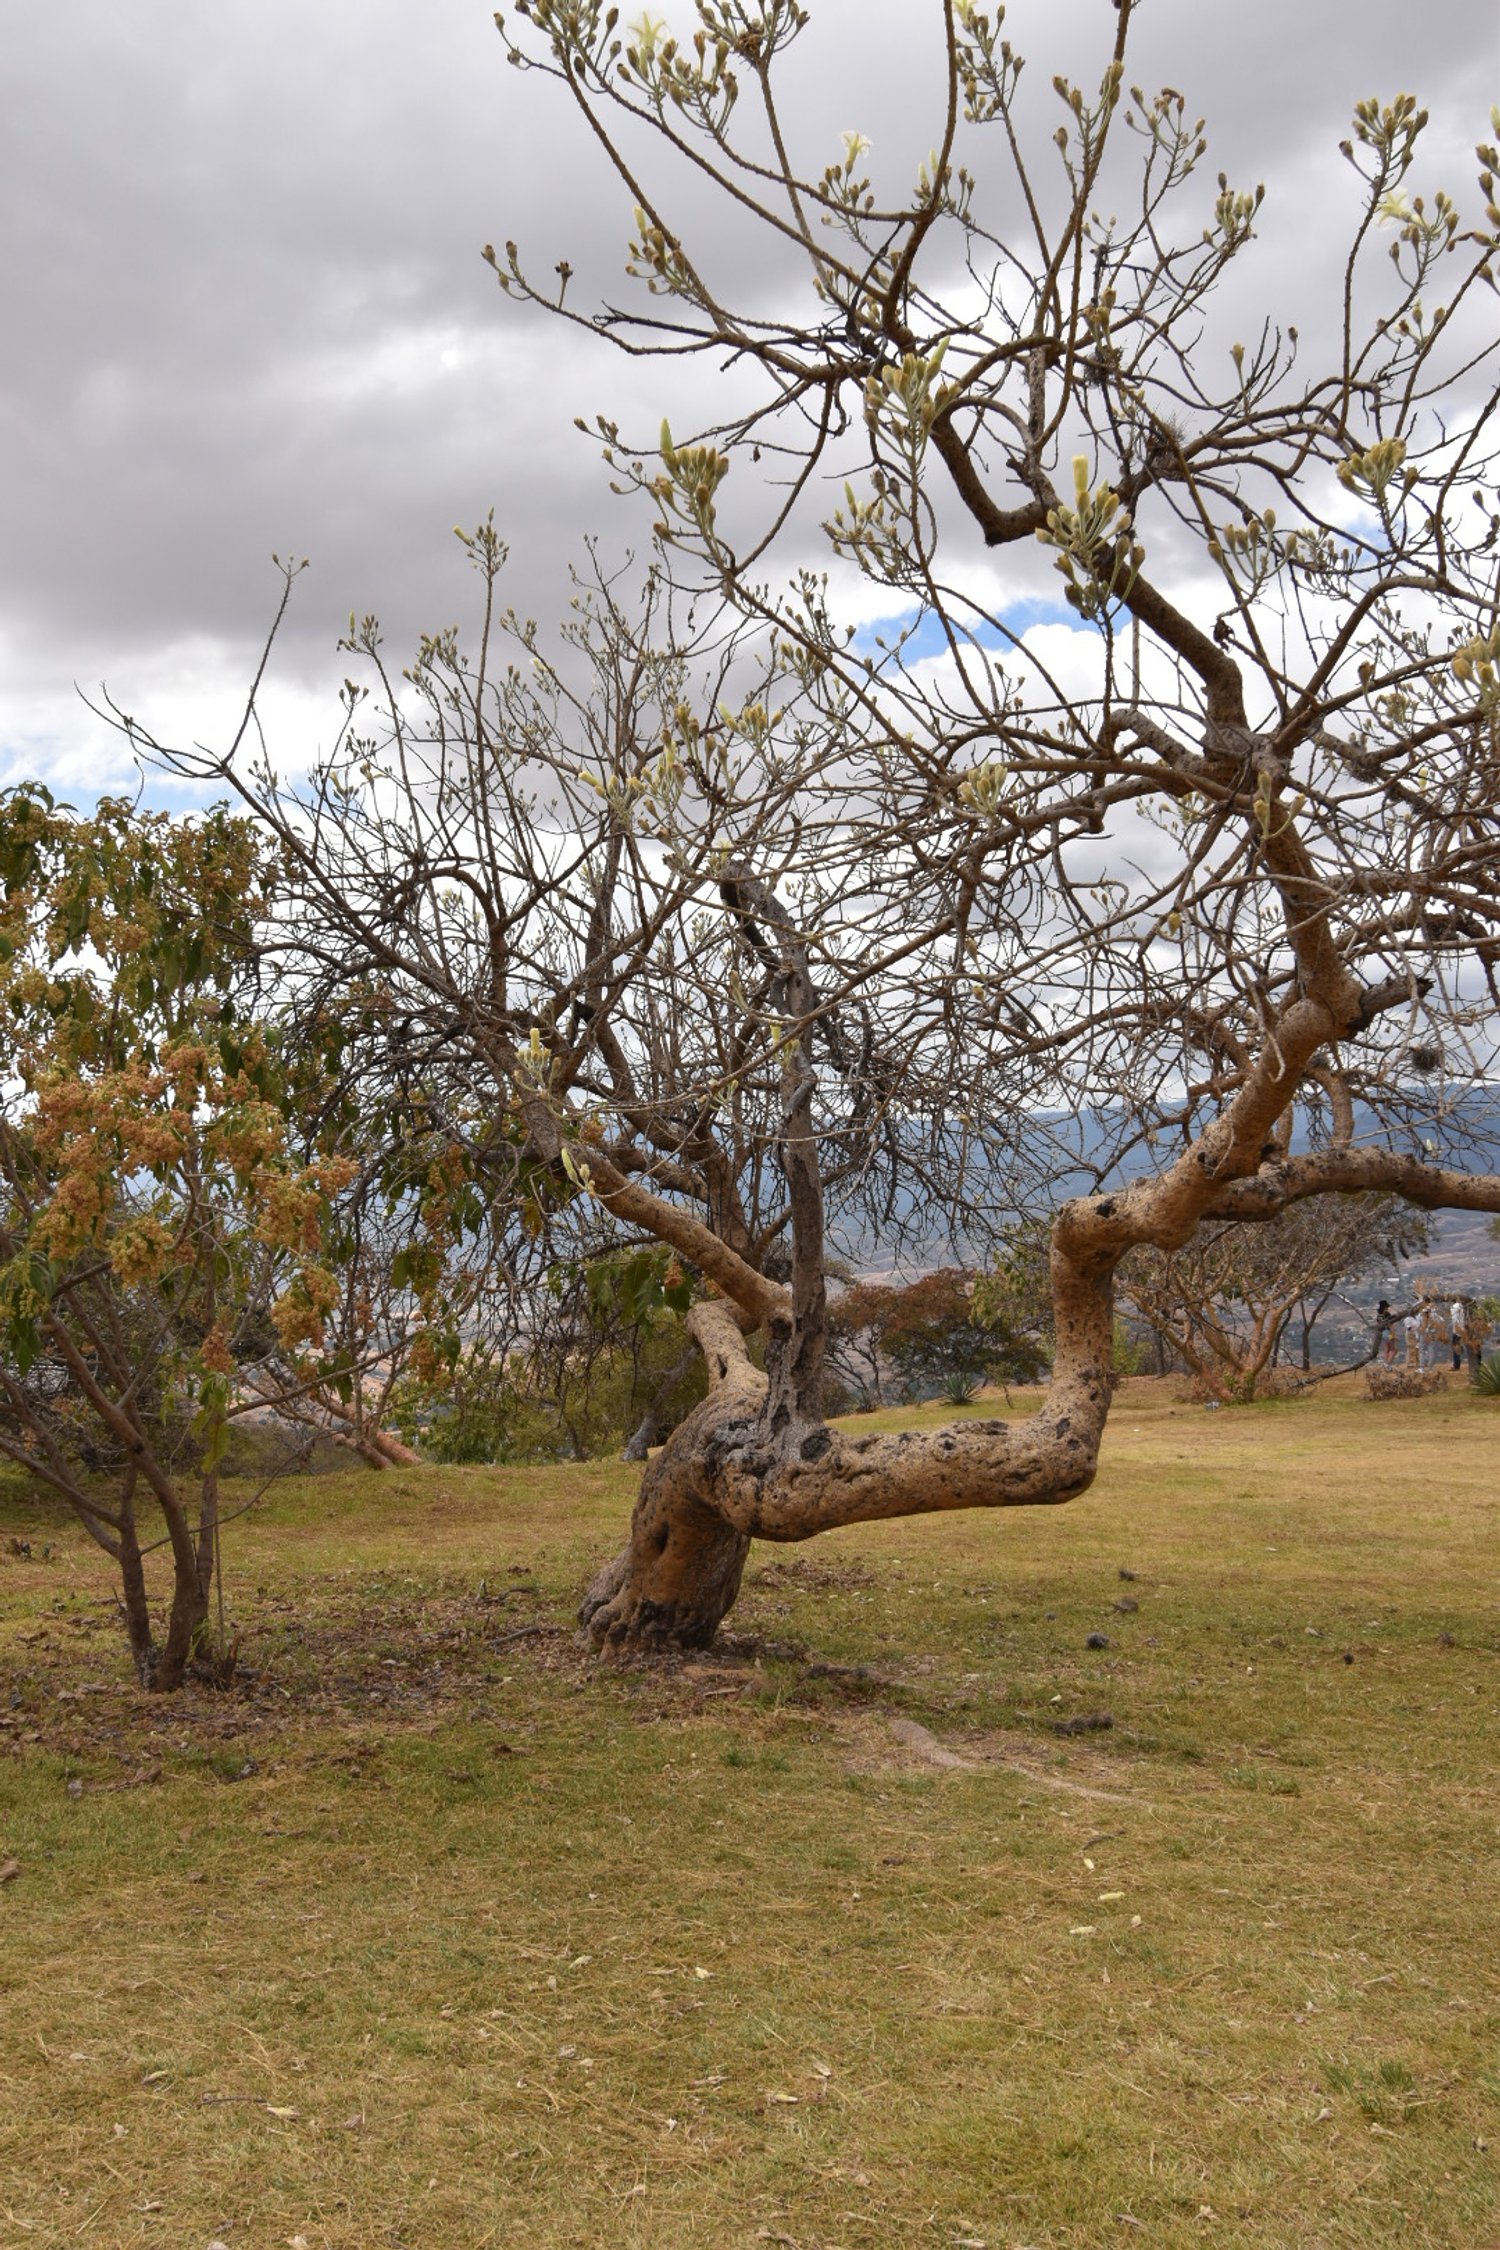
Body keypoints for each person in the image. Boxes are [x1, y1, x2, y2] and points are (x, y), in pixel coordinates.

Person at [1451, 1296, 1466, 1371]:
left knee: (1455, 1348)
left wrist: (1455, 1328)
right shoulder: (1462, 1306)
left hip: (1456, 1330)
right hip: (1462, 1329)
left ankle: (1456, 1365)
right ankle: (1457, 1364)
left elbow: (1454, 1319)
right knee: (1458, 1346)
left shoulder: (1455, 1306)